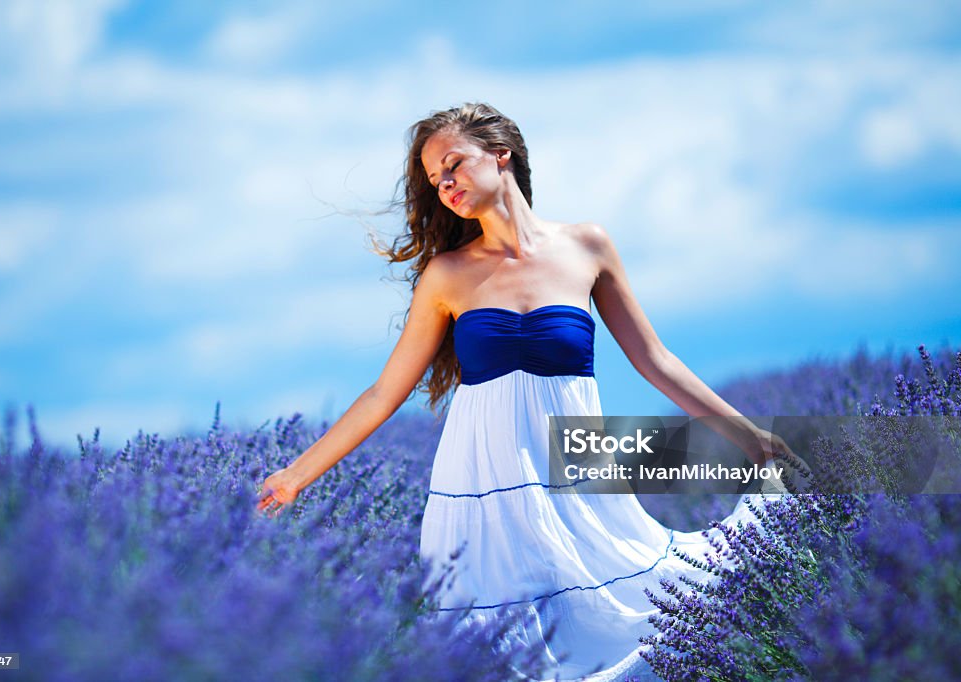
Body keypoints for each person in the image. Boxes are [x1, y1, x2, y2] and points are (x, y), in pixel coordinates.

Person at [257, 102, 804, 681]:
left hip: (574, 466)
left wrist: (753, 440)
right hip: (481, 481)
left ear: (501, 155)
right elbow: (384, 393)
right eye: (435, 180)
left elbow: (654, 359)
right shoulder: (446, 276)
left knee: (631, 601)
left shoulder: (587, 247)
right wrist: (296, 475)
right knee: (501, 646)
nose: (445, 186)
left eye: (453, 165)